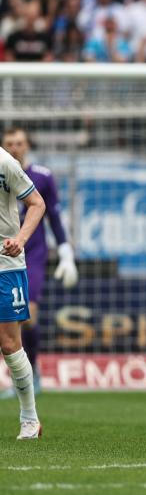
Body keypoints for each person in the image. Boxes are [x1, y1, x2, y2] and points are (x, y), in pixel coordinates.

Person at [1, 128, 77, 399]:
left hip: (31, 254)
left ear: (27, 146)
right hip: (2, 252)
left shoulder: (42, 177)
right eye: (9, 143)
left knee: (28, 315)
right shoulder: (2, 172)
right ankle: (17, 378)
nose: (14, 148)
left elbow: (53, 215)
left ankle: (32, 374)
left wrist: (66, 252)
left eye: (19, 143)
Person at [0, 139, 47, 439]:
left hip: (5, 262)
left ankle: (30, 418)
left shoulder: (5, 164)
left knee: (8, 342)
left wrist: (21, 238)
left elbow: (37, 203)